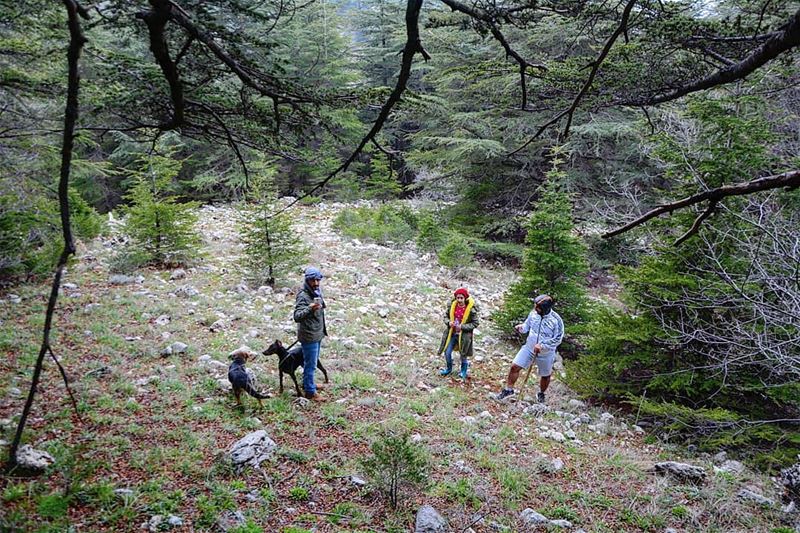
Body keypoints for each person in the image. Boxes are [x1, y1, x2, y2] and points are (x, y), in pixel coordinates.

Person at [495, 294, 563, 403]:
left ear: (545, 308)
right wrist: (521, 328)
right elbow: (526, 327)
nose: (535, 309)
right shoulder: (533, 314)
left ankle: (541, 394)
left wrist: (543, 345)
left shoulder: (556, 320)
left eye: (538, 307)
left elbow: (558, 338)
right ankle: (509, 390)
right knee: (514, 366)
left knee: (545, 375)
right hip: (529, 348)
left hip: (546, 353)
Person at [293, 266, 327, 401]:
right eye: (313, 280)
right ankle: (310, 392)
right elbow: (297, 316)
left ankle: (309, 384)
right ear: (307, 280)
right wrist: (309, 308)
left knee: (310, 362)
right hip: (309, 336)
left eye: (318, 280)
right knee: (311, 365)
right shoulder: (303, 296)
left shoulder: (316, 291)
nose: (316, 283)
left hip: (317, 333)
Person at [437, 287, 479, 380]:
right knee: (447, 352)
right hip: (451, 334)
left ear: (465, 298)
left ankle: (463, 371)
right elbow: (445, 317)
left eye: (461, 298)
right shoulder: (452, 306)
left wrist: (463, 327)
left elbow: (475, 323)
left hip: (464, 336)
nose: (459, 300)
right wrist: (449, 322)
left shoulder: (471, 310)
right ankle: (449, 369)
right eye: (458, 298)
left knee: (463, 354)